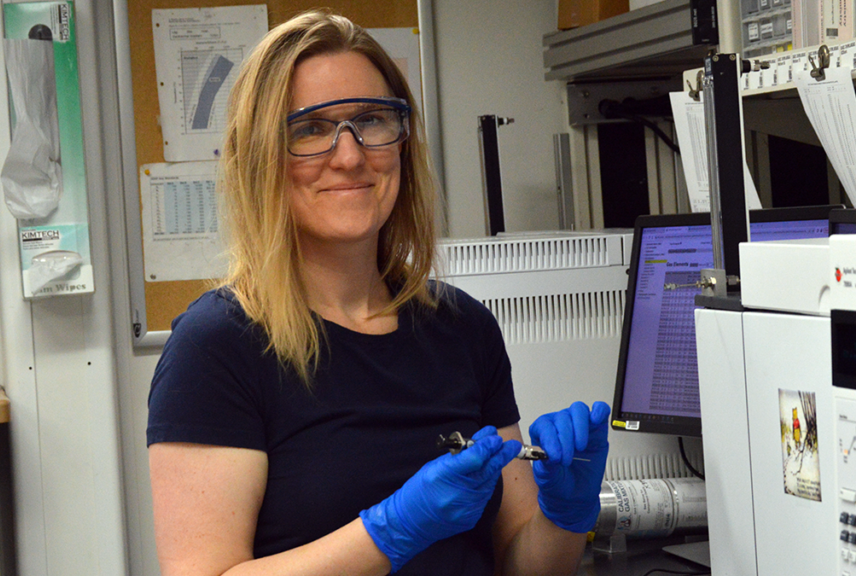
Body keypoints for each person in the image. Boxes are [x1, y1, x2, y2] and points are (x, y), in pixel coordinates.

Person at [146, 10, 611, 576]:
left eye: (371, 120)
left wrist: (567, 511)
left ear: (403, 142)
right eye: (310, 129)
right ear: (261, 159)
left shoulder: (462, 328)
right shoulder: (217, 346)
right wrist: (391, 531)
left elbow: (524, 564)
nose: (350, 155)